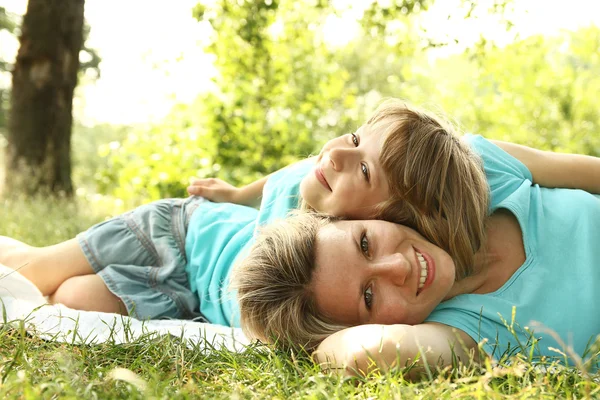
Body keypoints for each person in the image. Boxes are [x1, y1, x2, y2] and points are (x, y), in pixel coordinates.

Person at [0, 99, 489, 326]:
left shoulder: (348, 250)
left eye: (362, 170)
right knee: (37, 270)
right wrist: (237, 195)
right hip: (179, 233)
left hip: (185, 300)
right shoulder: (318, 200)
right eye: (354, 142)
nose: (335, 157)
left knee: (70, 297)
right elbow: (296, 169)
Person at [231, 134, 600, 376]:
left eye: (365, 243)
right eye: (369, 296)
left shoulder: (480, 174)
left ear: (371, 214)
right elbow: (369, 352)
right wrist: (319, 349)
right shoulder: (463, 334)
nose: (398, 266)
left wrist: (238, 194)